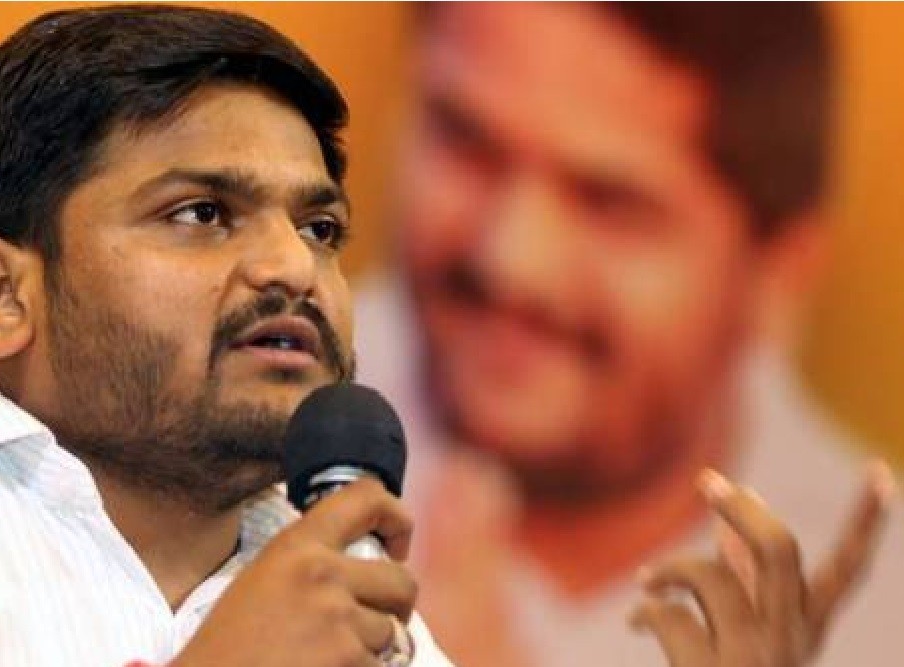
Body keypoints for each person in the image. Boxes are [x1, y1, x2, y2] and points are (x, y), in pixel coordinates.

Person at [0, 5, 887, 667]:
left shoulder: (384, 630)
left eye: (319, 226)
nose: (292, 267)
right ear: (1, 296)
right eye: (200, 213)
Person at [353, 3, 902, 666]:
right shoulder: (251, 434)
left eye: (609, 202)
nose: (513, 257)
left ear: (779, 271)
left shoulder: (880, 616)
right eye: (468, 142)